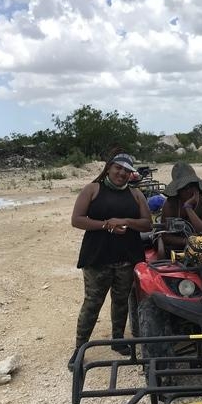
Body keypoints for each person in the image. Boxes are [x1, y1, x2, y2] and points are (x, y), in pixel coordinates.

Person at [68, 152, 152, 369]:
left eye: (127, 171)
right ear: (109, 168)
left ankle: (118, 340)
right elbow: (77, 220)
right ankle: (79, 348)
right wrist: (106, 225)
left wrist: (124, 221)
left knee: (121, 300)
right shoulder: (92, 189)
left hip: (127, 257)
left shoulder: (136, 195)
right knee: (92, 303)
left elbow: (147, 224)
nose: (122, 174)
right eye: (118, 168)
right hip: (98, 257)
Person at [160, 161, 202, 251]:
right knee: (161, 250)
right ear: (178, 190)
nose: (189, 191)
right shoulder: (170, 204)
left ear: (198, 187)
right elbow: (166, 236)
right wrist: (187, 241)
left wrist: (188, 208)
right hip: (179, 245)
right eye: (184, 188)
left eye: (192, 186)